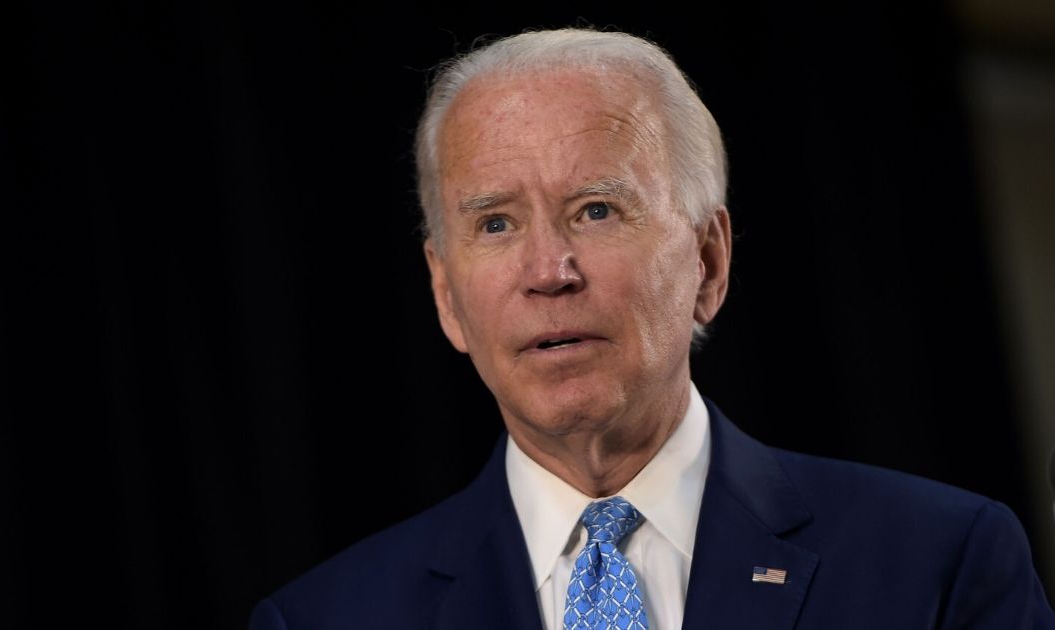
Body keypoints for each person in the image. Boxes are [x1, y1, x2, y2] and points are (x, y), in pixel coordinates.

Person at [250, 28, 1055, 629]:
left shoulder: (938, 563)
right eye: (495, 224)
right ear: (445, 294)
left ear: (708, 259)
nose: (549, 269)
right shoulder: (326, 618)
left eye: (595, 210)